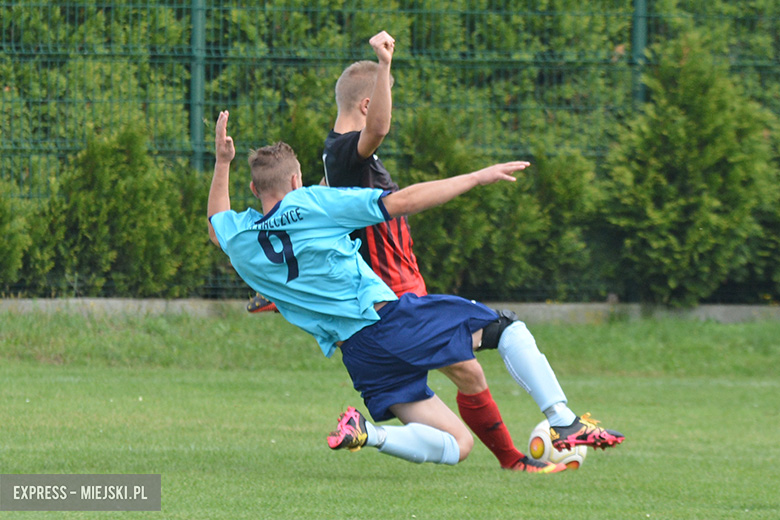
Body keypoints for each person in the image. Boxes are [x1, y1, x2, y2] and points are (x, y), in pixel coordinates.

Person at [207, 110, 624, 473]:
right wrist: (476, 177)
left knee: (457, 446)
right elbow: (400, 203)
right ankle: (563, 419)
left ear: (253, 190)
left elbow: (215, 223)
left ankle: (367, 433)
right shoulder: (313, 203)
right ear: (297, 179)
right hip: (389, 320)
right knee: (507, 330)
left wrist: (221, 162)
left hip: (359, 355)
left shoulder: (240, 239)